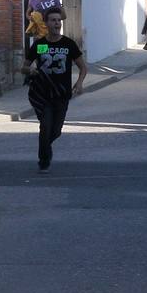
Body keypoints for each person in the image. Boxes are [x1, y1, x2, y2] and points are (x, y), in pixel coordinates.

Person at [24, 9, 87, 174]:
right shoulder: (40, 45)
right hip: (43, 93)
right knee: (45, 126)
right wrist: (30, 70)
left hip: (62, 94)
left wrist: (79, 83)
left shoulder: (68, 44)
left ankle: (46, 146)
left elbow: (83, 67)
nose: (57, 23)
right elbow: (24, 66)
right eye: (53, 20)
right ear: (46, 23)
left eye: (59, 20)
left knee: (56, 131)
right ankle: (44, 160)